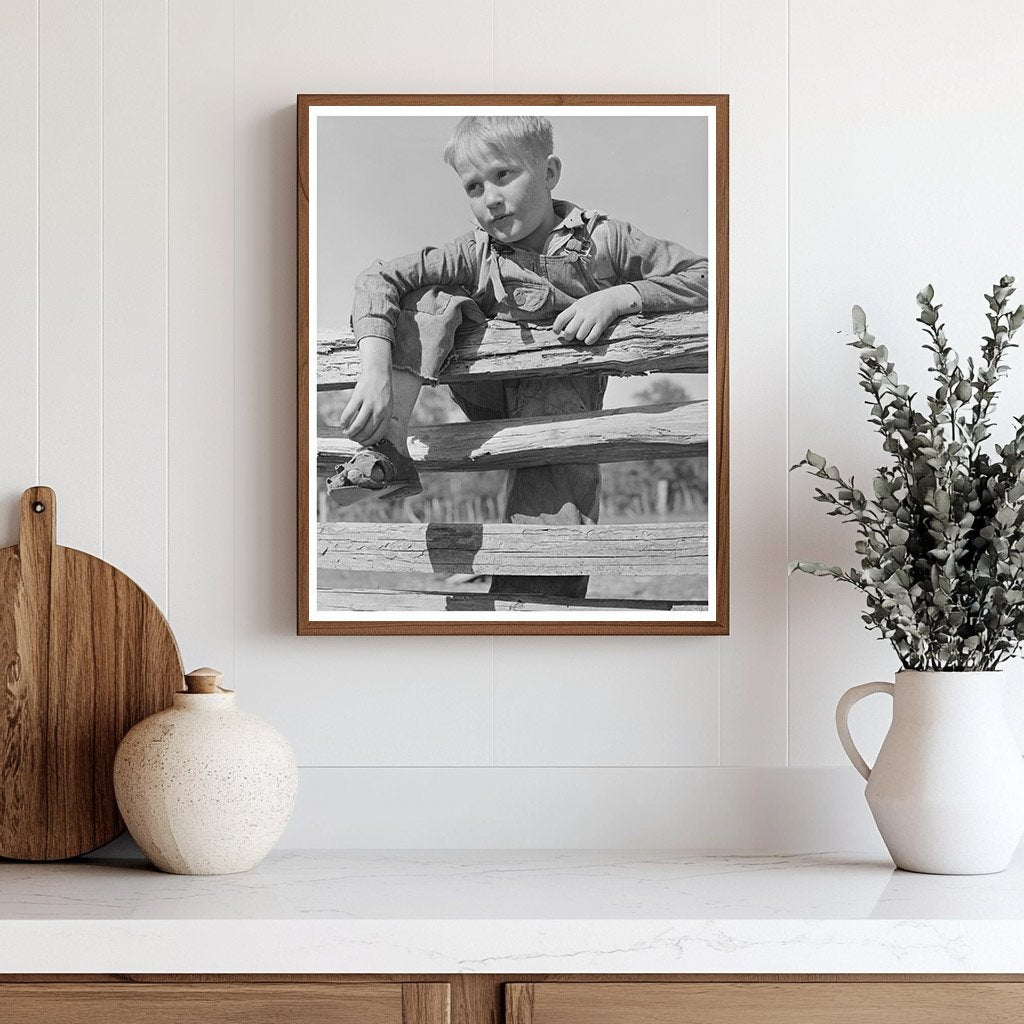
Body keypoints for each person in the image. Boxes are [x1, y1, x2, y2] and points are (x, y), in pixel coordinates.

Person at [328, 115, 708, 598]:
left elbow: (706, 276)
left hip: (561, 408)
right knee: (428, 295)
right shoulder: (476, 252)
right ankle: (389, 446)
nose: (489, 198)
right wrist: (375, 369)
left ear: (549, 172)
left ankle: (533, 612)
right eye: (473, 186)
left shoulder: (603, 241)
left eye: (503, 175)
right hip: (485, 394)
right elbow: (378, 277)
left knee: (547, 539)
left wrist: (620, 297)